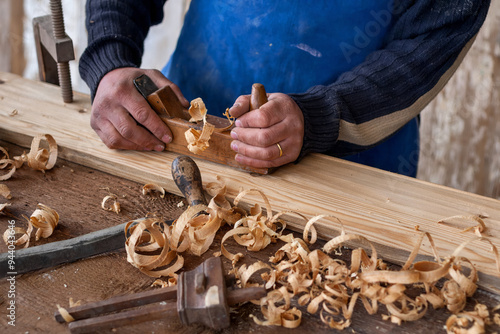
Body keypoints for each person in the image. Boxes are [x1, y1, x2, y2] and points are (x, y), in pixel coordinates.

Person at [79, 0, 490, 177]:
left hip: (347, 164)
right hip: (178, 136)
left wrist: (319, 117)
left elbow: (430, 42)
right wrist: (111, 60)